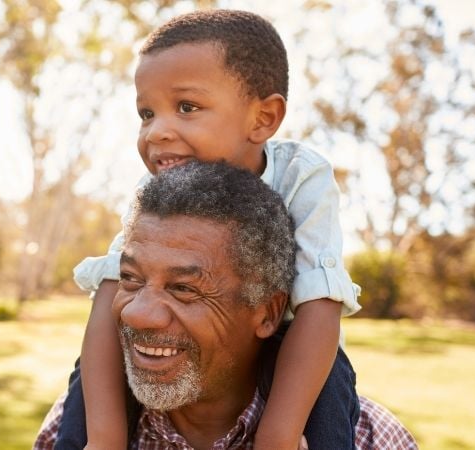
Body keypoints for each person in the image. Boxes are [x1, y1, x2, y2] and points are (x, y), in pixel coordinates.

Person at [58, 9, 363, 450]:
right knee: (90, 373)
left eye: (187, 107)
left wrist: (278, 436)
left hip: (289, 344)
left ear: (263, 118)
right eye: (147, 113)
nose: (158, 131)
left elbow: (320, 303)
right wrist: (103, 437)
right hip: (185, 351)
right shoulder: (154, 192)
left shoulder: (300, 176)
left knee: (330, 378)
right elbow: (110, 294)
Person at [36, 161, 416, 450]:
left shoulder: (371, 438)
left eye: (184, 288)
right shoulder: (74, 427)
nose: (137, 313)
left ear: (267, 313)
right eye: (131, 279)